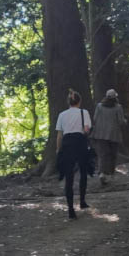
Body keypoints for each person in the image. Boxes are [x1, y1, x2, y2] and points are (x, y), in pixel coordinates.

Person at [53, 89, 94, 219]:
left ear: (68, 102)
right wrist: (84, 131)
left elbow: (59, 135)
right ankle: (82, 201)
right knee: (83, 172)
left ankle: (71, 209)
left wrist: (58, 149)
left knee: (68, 176)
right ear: (79, 101)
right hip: (80, 142)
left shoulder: (62, 115)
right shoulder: (84, 112)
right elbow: (87, 130)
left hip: (67, 144)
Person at [91, 89, 127, 182]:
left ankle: (102, 173)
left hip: (100, 133)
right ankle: (111, 174)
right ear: (115, 98)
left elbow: (94, 118)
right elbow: (121, 121)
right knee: (112, 154)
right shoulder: (118, 107)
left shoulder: (99, 106)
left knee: (102, 154)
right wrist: (126, 121)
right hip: (113, 134)